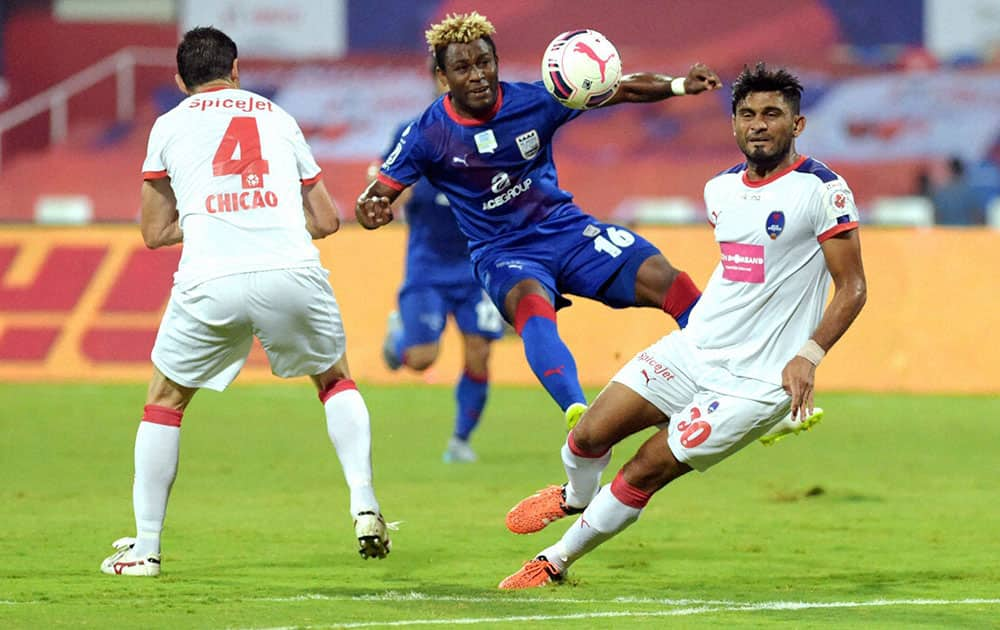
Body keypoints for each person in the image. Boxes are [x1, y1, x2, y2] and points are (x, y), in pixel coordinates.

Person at [497, 62, 867, 589]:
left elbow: (852, 287)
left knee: (645, 468)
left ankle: (554, 561)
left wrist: (809, 354)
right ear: (734, 124)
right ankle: (574, 496)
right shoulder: (720, 189)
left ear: (798, 125)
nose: (759, 124)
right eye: (747, 114)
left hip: (757, 382)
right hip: (695, 349)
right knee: (588, 434)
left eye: (772, 114)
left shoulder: (821, 191)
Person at [100, 27, 391, 577]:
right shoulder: (279, 117)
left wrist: (213, 216)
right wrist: (266, 214)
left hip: (210, 278)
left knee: (165, 401)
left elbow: (153, 231)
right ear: (236, 70)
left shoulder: (168, 125)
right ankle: (365, 504)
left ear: (181, 80)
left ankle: (146, 547)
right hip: (292, 271)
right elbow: (327, 220)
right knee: (334, 381)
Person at [355, 12, 720, 432]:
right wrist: (373, 210)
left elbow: (618, 89)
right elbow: (376, 196)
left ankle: (725, 379)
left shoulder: (535, 102)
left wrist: (678, 85)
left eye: (484, 63)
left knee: (666, 277)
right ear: (442, 78)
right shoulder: (426, 134)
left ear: (496, 62)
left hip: (565, 229)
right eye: (462, 67)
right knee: (531, 304)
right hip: (502, 253)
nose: (477, 75)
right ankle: (580, 414)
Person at [376, 58, 505, 463]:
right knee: (420, 360)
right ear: (439, 81)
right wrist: (390, 192)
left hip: (476, 265)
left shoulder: (495, 134)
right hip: (428, 267)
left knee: (480, 351)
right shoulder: (414, 133)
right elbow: (386, 183)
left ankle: (460, 441)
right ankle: (400, 338)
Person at [931, 156, 986, 225]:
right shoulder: (971, 192)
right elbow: (978, 216)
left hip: (946, 232)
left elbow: (936, 217)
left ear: (950, 171)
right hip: (966, 233)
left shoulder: (941, 193)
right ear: (962, 171)